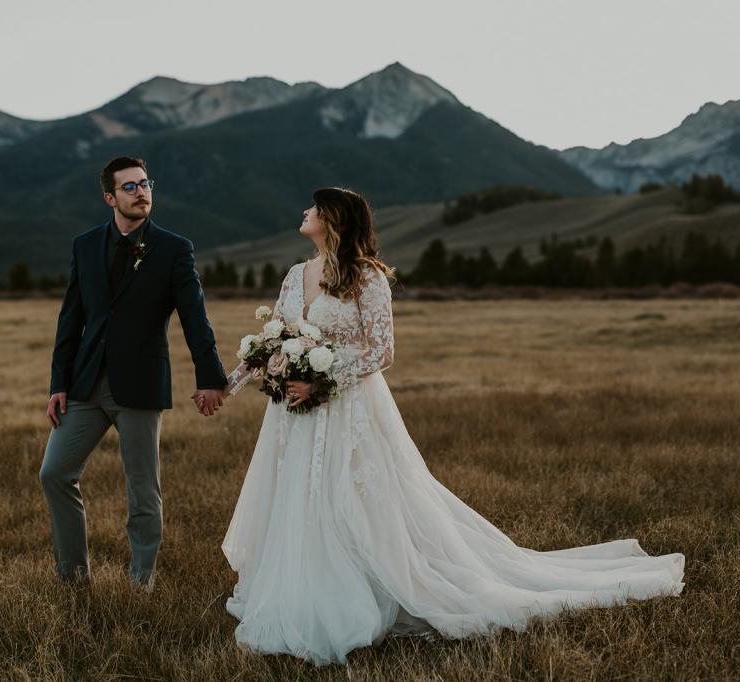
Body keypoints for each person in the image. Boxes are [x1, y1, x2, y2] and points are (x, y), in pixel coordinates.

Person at [213, 187, 685, 665]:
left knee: (356, 503)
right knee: (299, 500)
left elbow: (382, 352)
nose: (304, 213)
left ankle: (370, 592)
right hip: (295, 419)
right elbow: (269, 341)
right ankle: (302, 590)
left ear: (333, 219)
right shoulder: (296, 275)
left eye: (313, 208)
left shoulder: (367, 279)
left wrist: (321, 380)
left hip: (348, 410)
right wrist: (225, 388)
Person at [39, 156, 227, 589]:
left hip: (140, 384)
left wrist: (210, 379)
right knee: (54, 473)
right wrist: (59, 384)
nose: (141, 192)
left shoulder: (174, 248)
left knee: (143, 491)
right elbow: (70, 320)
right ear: (110, 197)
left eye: (145, 184)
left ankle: (140, 583)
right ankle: (73, 579)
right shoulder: (84, 245)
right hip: (86, 383)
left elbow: (194, 319)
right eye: (130, 187)